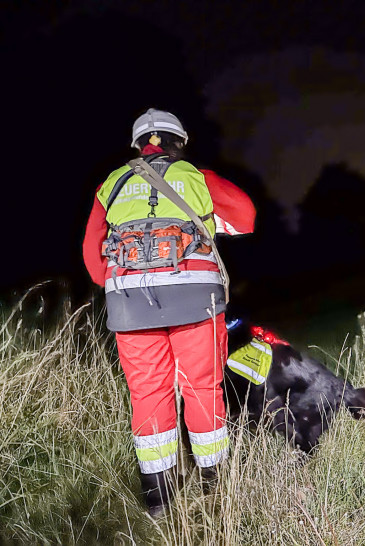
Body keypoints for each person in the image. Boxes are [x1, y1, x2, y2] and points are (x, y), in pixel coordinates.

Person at [82, 108, 256, 516]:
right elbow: (245, 219)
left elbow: (94, 257)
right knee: (201, 387)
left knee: (147, 391)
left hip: (129, 301)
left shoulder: (111, 183)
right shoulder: (197, 176)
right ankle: (216, 491)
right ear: (178, 141)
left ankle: (158, 501)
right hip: (196, 297)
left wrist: (126, 280)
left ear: (140, 144)